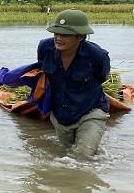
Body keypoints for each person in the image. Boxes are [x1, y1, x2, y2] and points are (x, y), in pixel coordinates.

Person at [38, 9, 111, 156]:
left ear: (81, 37)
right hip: (60, 117)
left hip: (91, 112)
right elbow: (43, 73)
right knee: (67, 156)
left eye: (65, 35)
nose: (58, 38)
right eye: (56, 33)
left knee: (83, 157)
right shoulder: (45, 48)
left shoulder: (97, 56)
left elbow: (101, 77)